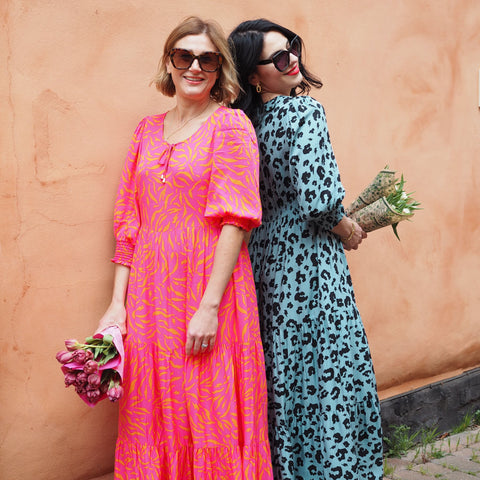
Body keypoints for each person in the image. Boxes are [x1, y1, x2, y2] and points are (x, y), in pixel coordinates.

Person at [96, 16, 273, 479]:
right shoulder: (145, 131)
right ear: (169, 63)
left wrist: (210, 306)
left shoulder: (231, 126)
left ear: (220, 69)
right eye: (184, 56)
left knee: (208, 407)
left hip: (207, 288)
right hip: (151, 296)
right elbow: (128, 223)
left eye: (207, 58)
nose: (195, 67)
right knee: (155, 409)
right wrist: (118, 305)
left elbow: (236, 220)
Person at [228, 19, 383, 480]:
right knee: (329, 365)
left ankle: (290, 469)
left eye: (291, 48)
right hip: (310, 260)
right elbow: (319, 204)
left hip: (265, 261)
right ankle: (338, 470)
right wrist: (349, 228)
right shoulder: (304, 113)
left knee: (285, 371)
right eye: (277, 57)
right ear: (254, 76)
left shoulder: (244, 125)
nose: (291, 59)